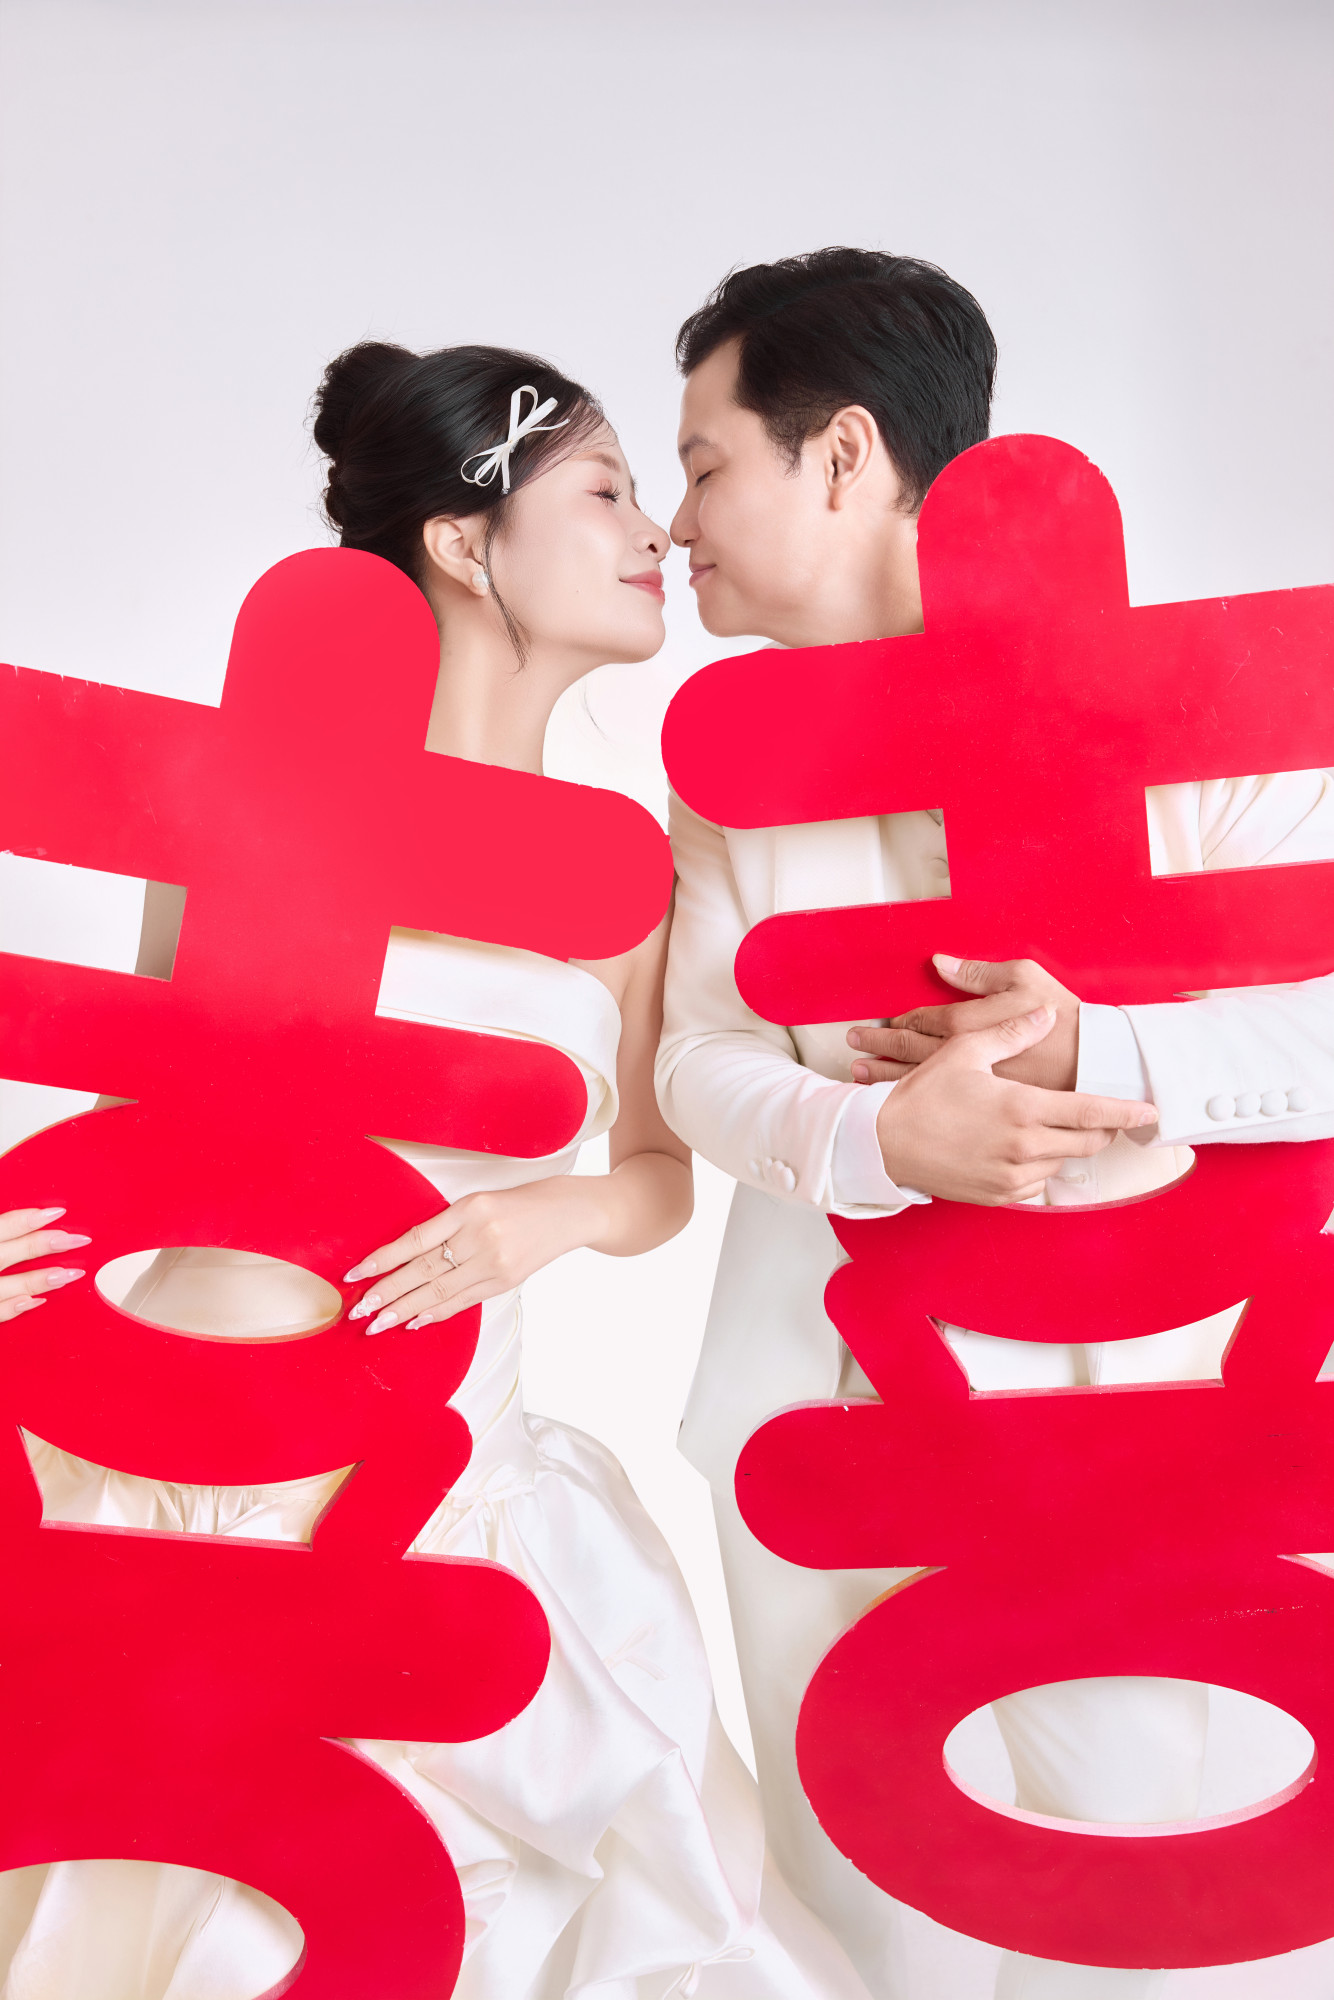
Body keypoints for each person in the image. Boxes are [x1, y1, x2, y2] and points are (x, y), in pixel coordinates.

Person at [0, 343, 872, 2000]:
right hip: (178, 1448)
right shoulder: (241, 804)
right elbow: (125, 1120)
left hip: (444, 1466)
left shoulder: (624, 868)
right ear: (466, 543)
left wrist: (541, 1219)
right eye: (606, 492)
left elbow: (652, 1171)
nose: (657, 534)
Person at [654, 247, 1334, 2000]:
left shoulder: (1205, 702)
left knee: (1148, 1905)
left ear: (840, 453)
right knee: (881, 1910)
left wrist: (1103, 1047)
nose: (676, 521)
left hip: (1156, 1407)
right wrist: (876, 1146)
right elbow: (694, 1058)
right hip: (826, 1411)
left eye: (705, 463)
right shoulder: (731, 777)